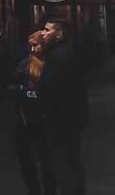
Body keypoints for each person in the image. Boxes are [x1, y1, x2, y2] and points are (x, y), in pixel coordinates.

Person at [38, 20, 88, 195]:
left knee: (63, 165)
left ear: (59, 34)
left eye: (47, 30)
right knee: (73, 161)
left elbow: (47, 88)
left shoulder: (56, 57)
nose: (43, 33)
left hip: (60, 121)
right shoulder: (67, 53)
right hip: (72, 118)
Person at [6, 31, 55, 195]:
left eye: (36, 45)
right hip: (24, 119)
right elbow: (11, 85)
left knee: (46, 160)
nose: (33, 49)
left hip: (44, 120)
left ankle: (49, 189)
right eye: (31, 46)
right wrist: (20, 93)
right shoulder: (25, 64)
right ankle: (34, 189)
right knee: (27, 161)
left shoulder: (51, 64)